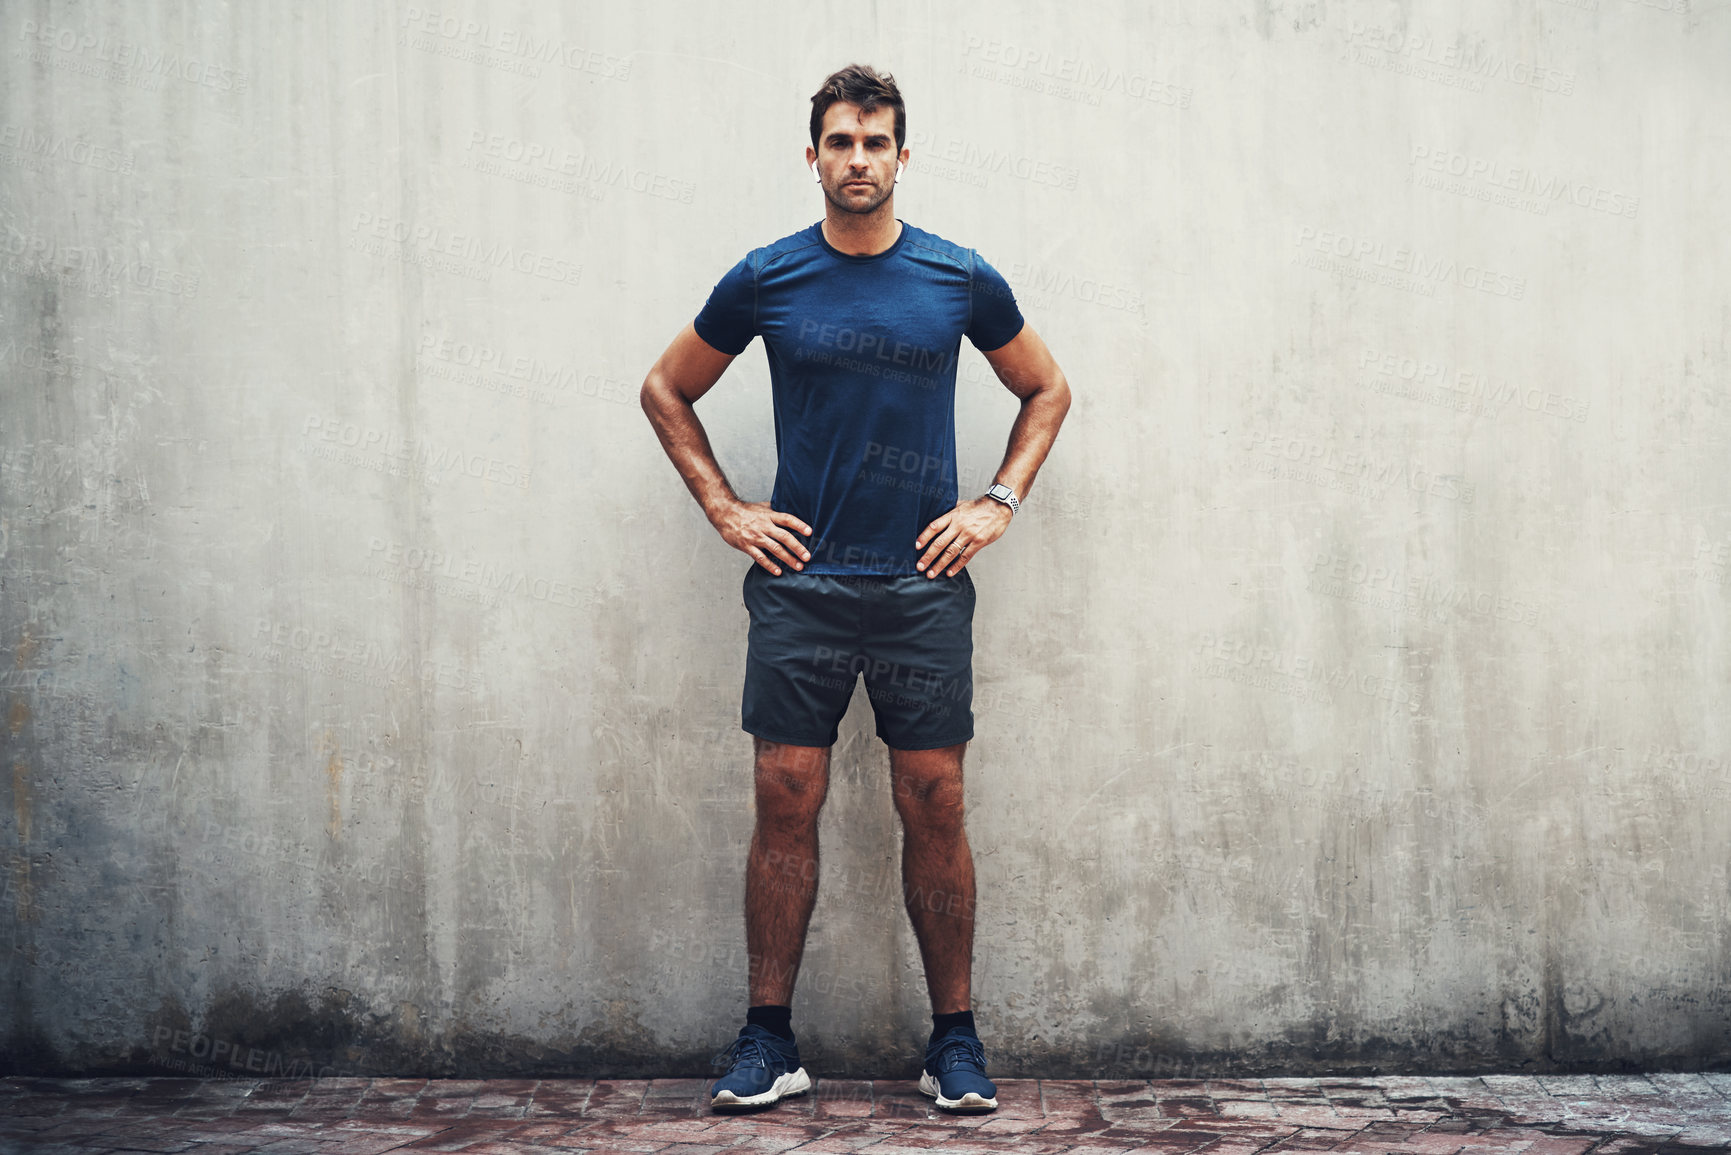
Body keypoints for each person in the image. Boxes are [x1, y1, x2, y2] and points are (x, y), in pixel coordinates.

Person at [640, 63, 1071, 1114]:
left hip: (922, 586)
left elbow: (1047, 388)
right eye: (841, 142)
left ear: (902, 156)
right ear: (815, 156)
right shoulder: (768, 278)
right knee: (785, 798)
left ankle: (955, 1043)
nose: (859, 160)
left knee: (936, 802)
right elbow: (666, 389)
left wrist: (997, 502)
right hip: (805, 587)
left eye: (877, 144)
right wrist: (727, 510)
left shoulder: (958, 279)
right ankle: (769, 1039)